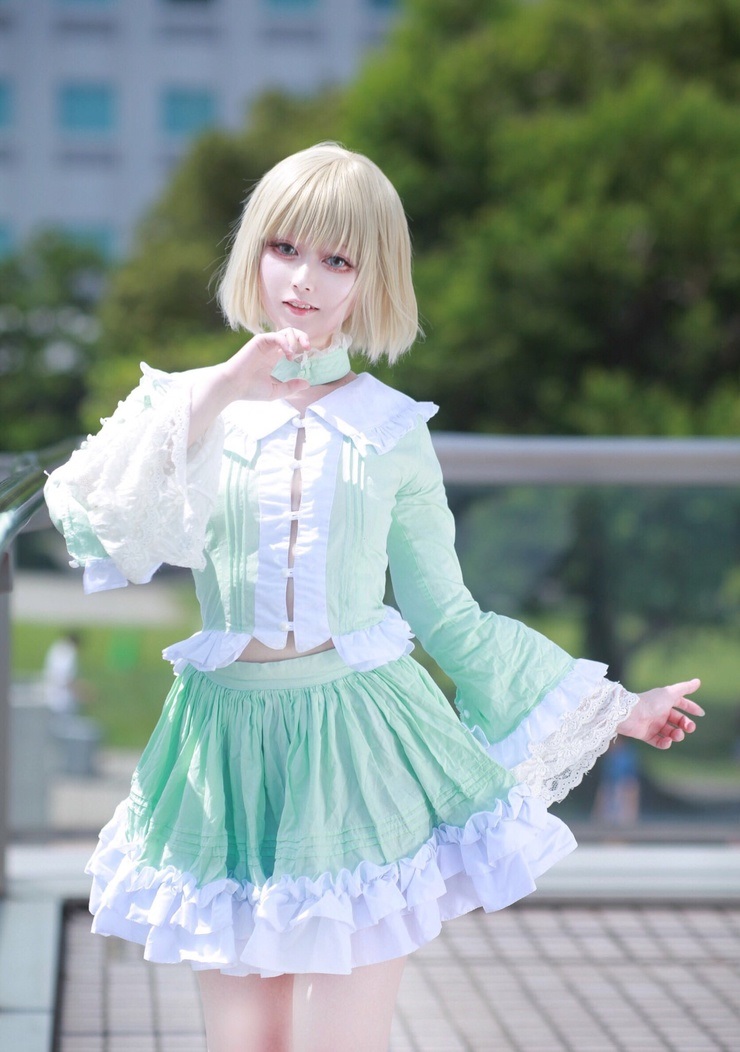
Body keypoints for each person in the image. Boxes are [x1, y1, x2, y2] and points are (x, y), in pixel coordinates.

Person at [44, 142, 702, 1052]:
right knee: (246, 1045)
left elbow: (449, 618)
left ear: (371, 278)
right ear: (253, 254)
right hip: (221, 749)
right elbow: (93, 514)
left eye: (337, 259)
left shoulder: (389, 427)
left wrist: (618, 708)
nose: (303, 280)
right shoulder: (189, 404)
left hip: (356, 748)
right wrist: (231, 383)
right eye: (284, 249)